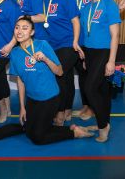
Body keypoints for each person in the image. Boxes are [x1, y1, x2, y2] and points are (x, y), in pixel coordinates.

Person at [67, 0, 125, 120]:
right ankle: (94, 114)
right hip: (83, 47)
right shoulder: (79, 0)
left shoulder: (106, 1)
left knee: (92, 86)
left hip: (101, 50)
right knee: (93, 83)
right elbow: (84, 20)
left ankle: (100, 118)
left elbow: (111, 28)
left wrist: (111, 61)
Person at [10, 16, 93, 145]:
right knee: (28, 130)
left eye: (24, 28)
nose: (19, 31)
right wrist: (22, 107)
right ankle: (71, 128)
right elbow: (20, 80)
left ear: (32, 32)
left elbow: (59, 72)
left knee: (38, 138)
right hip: (32, 99)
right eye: (17, 28)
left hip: (49, 98)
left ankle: (74, 133)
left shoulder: (42, 45)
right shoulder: (15, 52)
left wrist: (45, 59)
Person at [37, 0, 82, 126]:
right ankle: (68, 109)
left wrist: (75, 42)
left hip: (66, 43)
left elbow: (75, 20)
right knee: (67, 78)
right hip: (48, 46)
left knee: (58, 76)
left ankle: (60, 114)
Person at [80, 0, 121, 142]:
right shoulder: (86, 6)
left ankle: (104, 126)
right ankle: (102, 121)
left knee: (89, 89)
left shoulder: (109, 4)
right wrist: (83, 55)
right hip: (89, 53)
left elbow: (115, 36)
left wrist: (111, 61)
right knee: (102, 90)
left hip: (104, 53)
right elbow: (85, 31)